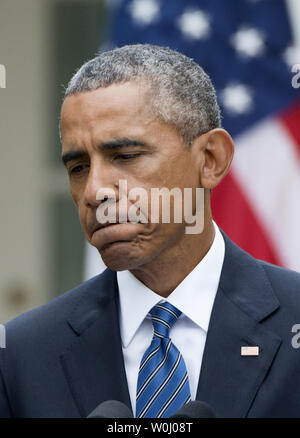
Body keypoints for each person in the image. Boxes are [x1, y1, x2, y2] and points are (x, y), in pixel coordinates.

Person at [1, 44, 300, 418]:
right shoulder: (20, 355)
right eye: (78, 167)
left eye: (125, 157)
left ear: (210, 160)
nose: (95, 192)